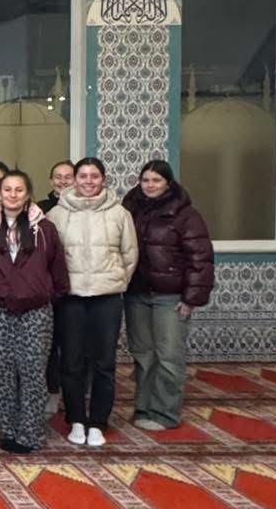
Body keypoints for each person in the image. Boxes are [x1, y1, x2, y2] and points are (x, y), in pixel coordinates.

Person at [47, 157, 138, 447]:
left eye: (94, 176)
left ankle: (98, 421)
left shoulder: (119, 213)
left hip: (106, 298)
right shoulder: (57, 214)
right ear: (74, 180)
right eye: (83, 176)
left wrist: (115, 281)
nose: (88, 181)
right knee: (71, 361)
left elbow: (130, 255)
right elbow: (49, 257)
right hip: (71, 299)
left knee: (104, 363)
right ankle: (76, 418)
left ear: (104, 179)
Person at [122, 160, 214, 431]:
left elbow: (201, 258)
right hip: (137, 293)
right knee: (143, 355)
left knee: (169, 356)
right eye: (146, 180)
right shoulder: (130, 209)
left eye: (156, 180)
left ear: (168, 183)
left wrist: (191, 298)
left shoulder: (186, 215)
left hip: (170, 296)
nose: (150, 185)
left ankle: (165, 414)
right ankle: (144, 408)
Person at [0, 170, 69, 453]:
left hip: (36, 311)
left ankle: (30, 433)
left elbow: (58, 269)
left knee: (32, 371)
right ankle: (6, 430)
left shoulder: (45, 229)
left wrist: (46, 295)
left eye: (19, 190)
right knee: (1, 371)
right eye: (7, 189)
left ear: (28, 193)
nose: (13, 195)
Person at [37, 159, 76, 415]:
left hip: (79, 289)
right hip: (49, 290)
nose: (63, 181)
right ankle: (51, 391)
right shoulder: (40, 210)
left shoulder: (87, 208)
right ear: (51, 181)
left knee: (74, 346)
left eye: (68, 176)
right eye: (58, 177)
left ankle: (75, 394)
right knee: (48, 346)